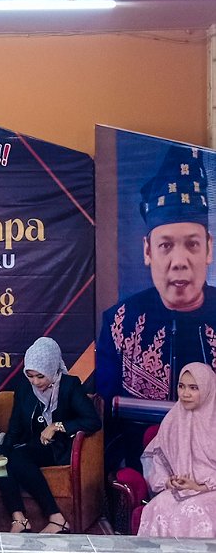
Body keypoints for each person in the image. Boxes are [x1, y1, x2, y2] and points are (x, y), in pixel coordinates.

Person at [96, 146, 216, 469]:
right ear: (147, 250)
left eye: (192, 244)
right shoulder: (120, 323)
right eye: (166, 246)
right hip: (142, 466)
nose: (179, 262)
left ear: (209, 248)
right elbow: (105, 414)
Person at [0, 337, 101, 534]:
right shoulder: (24, 387)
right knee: (2, 455)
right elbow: (15, 427)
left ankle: (57, 518)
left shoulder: (70, 386)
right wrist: (3, 450)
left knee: (17, 457)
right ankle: (19, 519)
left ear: (52, 369)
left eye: (40, 376)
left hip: (59, 448)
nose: (35, 382)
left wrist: (57, 426)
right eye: (30, 376)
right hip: (32, 446)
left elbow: (93, 421)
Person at [138, 362, 216, 537]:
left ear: (208, 389)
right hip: (182, 490)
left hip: (211, 492)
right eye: (181, 386)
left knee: (192, 510)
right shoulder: (172, 420)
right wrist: (169, 481)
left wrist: (200, 486)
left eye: (193, 388)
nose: (185, 393)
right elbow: (157, 461)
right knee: (158, 506)